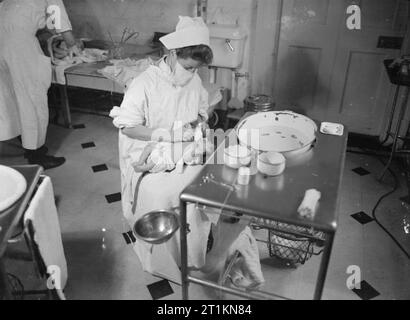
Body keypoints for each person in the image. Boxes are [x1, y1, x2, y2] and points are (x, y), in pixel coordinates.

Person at [110, 16, 215, 282]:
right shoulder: (145, 83)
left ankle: (193, 251)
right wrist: (164, 134)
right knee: (160, 194)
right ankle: (162, 258)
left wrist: (197, 124)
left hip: (182, 146)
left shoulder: (194, 80)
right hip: (148, 149)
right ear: (173, 53)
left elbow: (202, 111)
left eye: (196, 70)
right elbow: (127, 127)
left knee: (204, 183)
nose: (191, 74)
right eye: (188, 66)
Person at [0, 0, 80, 169]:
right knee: (32, 96)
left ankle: (22, 139)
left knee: (9, 94)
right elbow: (60, 20)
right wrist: (72, 44)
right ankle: (36, 154)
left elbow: (45, 22)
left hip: (3, 40)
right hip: (18, 44)